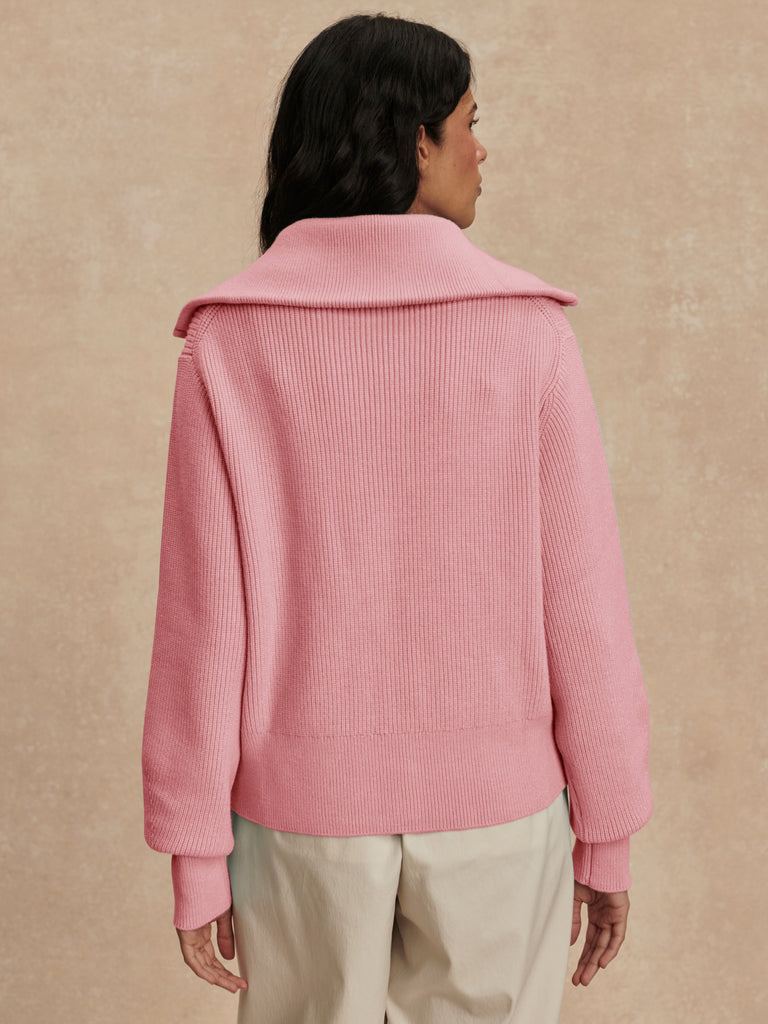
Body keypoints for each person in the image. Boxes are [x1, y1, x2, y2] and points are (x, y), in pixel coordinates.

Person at [142, 13, 652, 1023]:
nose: (480, 149)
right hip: (499, 816)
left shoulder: (231, 342)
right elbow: (584, 607)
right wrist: (607, 829)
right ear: (414, 139)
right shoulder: (528, 334)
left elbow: (204, 626)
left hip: (298, 823)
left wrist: (196, 852)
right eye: (469, 121)